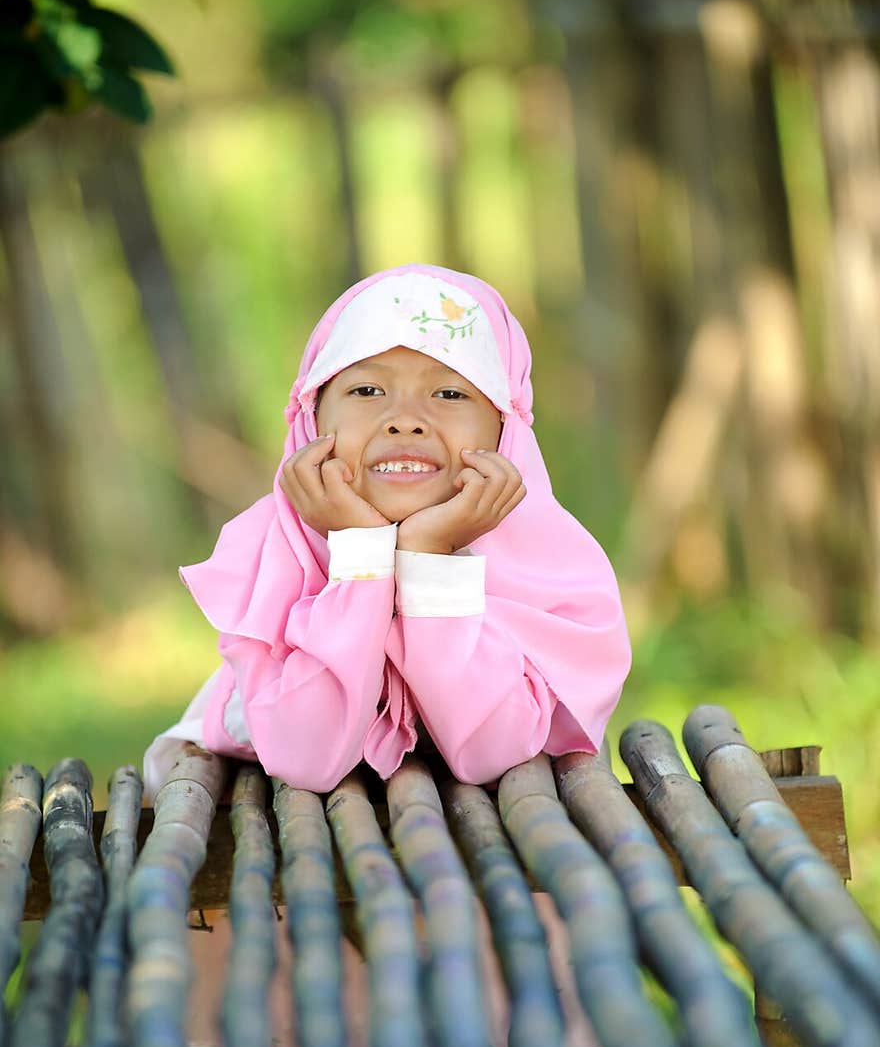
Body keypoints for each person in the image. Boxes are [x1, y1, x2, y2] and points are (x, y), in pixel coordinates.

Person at [142, 263, 632, 803]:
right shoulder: (275, 562)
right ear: (311, 419)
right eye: (368, 388)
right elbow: (309, 760)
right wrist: (359, 554)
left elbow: (493, 751)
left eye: (449, 394)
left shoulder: (553, 574)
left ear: (504, 428)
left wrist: (430, 558)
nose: (405, 420)